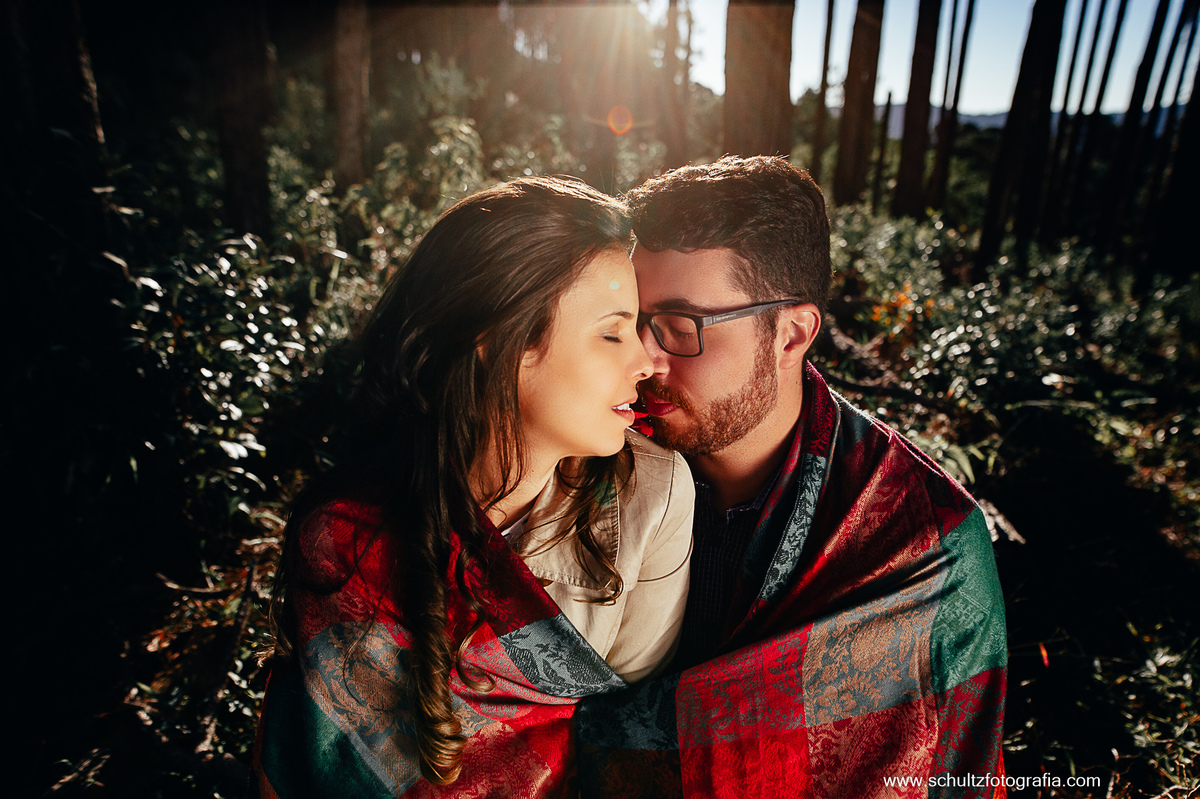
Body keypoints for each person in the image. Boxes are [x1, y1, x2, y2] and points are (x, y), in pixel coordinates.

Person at [575, 156, 1007, 798]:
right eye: (634, 322)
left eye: (680, 327)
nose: (646, 359)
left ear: (791, 334)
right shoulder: (588, 452)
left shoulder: (923, 541)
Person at [254, 177, 694, 798]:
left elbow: (630, 739)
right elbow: (307, 762)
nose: (646, 362)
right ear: (499, 341)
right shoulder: (344, 537)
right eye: (612, 333)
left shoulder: (652, 493)